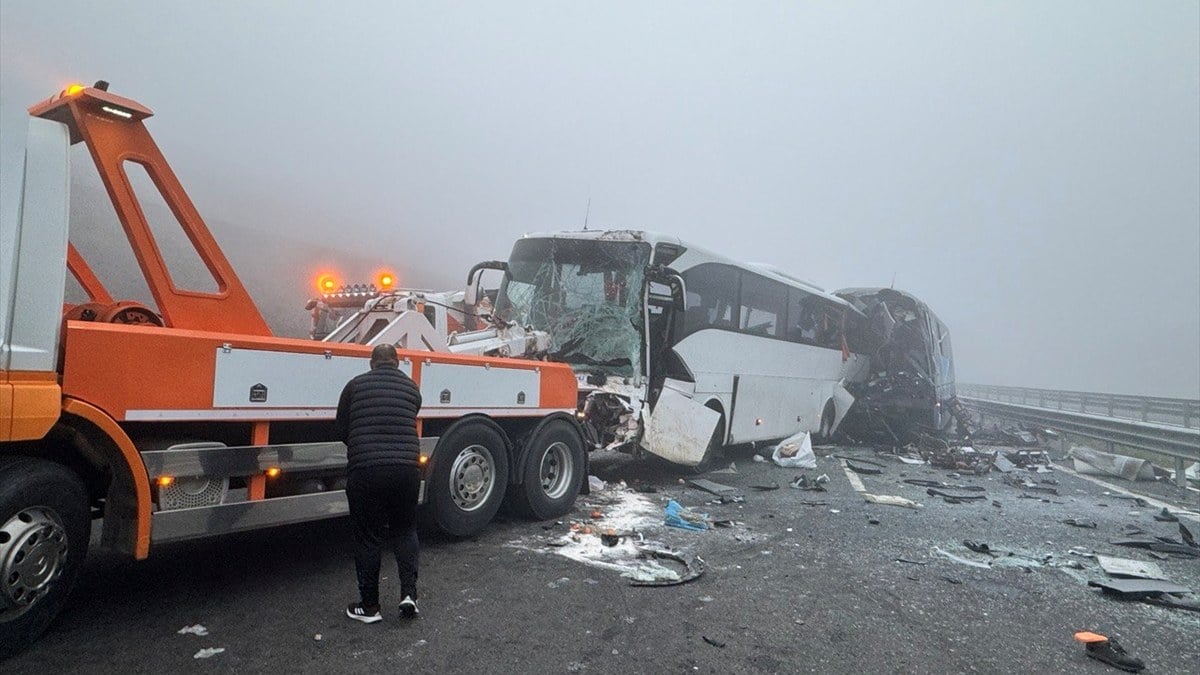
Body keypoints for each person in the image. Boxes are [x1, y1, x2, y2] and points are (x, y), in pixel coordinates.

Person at [335, 343, 423, 623]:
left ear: (372, 363)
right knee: (405, 530)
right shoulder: (411, 388)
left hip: (367, 470)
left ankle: (370, 607)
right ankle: (409, 594)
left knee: (369, 537)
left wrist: (362, 447)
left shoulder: (355, 385)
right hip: (407, 470)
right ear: (397, 363)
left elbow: (341, 426)